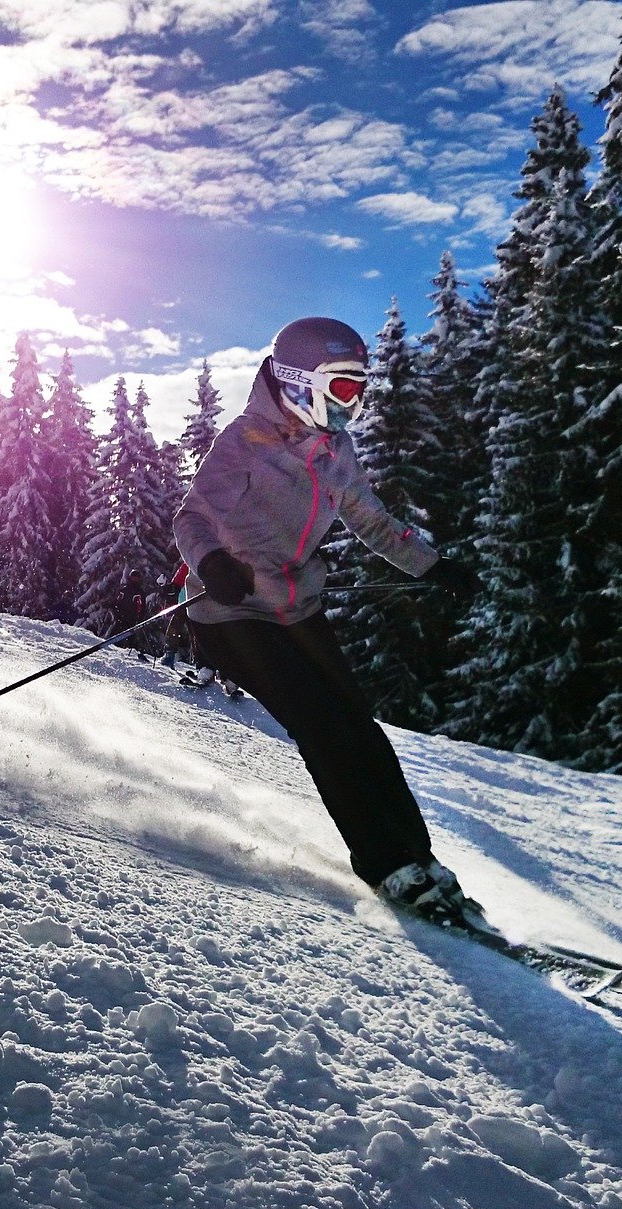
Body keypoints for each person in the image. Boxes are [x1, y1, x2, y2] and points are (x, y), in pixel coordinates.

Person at [173, 316, 482, 924]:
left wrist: (432, 566)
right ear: (296, 382)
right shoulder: (244, 441)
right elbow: (192, 519)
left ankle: (420, 859)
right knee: (322, 726)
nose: (354, 403)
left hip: (295, 608)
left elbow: (370, 521)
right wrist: (212, 562)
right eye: (342, 388)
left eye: (360, 390)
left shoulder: (335, 450)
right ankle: (385, 865)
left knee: (360, 727)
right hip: (231, 612)